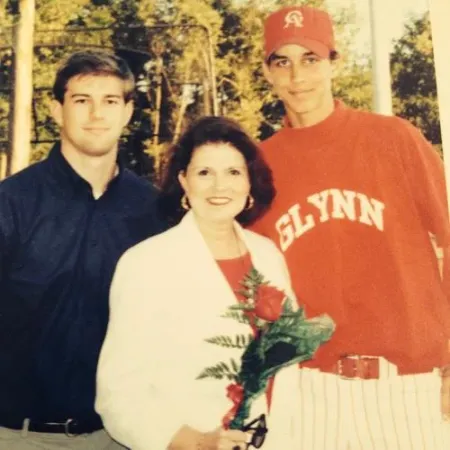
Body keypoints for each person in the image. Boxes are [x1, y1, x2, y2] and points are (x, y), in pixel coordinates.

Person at [249, 4, 450, 449]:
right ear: (267, 72)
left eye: (311, 59)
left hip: (407, 387)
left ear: (334, 63)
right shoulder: (260, 163)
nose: (297, 76)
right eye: (282, 61)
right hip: (308, 390)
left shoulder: (394, 139)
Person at [95, 116, 301, 450]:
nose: (220, 187)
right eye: (205, 173)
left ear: (250, 183)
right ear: (184, 182)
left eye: (233, 172)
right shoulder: (146, 263)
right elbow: (119, 395)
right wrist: (198, 443)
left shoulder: (269, 256)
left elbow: (288, 368)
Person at [0, 50, 166, 449]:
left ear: (127, 112)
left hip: (124, 437)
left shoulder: (156, 212)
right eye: (81, 101)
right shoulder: (12, 203)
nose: (96, 114)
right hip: (20, 435)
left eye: (110, 101)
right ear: (56, 110)